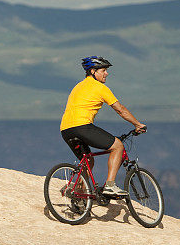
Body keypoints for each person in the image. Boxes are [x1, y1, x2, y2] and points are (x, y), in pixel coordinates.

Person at [60, 55, 147, 197]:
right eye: (103, 70)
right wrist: (137, 124)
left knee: (87, 159)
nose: (107, 73)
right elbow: (121, 110)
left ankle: (80, 195)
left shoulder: (78, 86)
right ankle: (110, 186)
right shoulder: (100, 88)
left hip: (66, 130)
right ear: (93, 71)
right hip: (82, 126)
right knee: (117, 146)